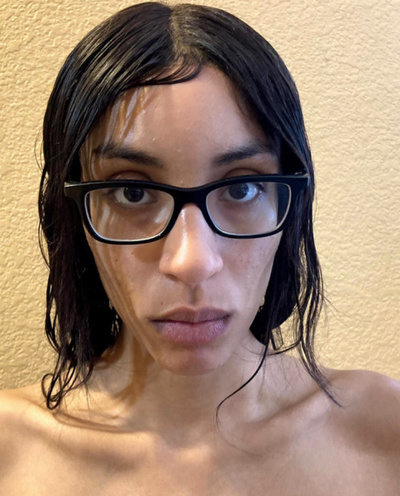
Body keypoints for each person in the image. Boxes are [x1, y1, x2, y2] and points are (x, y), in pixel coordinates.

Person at [1, 2, 399, 494]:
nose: (192, 261)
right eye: (132, 192)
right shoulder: (11, 454)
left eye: (241, 188)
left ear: (290, 204)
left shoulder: (385, 433)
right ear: (74, 213)